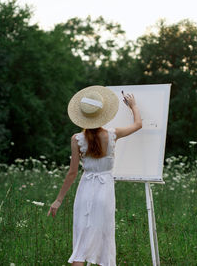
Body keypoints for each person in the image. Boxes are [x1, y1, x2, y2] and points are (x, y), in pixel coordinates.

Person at [47, 85, 142, 266]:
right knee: (104, 238)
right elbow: (138, 125)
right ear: (102, 114)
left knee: (81, 242)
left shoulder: (76, 139)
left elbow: (72, 173)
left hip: (85, 191)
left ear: (82, 117)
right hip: (104, 190)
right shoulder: (113, 134)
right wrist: (133, 106)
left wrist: (58, 200)